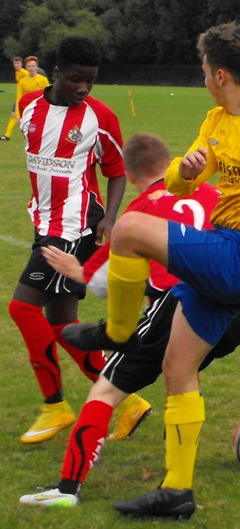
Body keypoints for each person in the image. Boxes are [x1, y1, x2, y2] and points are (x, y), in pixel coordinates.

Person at [23, 21, 240, 517]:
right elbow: (182, 185)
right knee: (177, 368)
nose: (202, 76)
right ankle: (176, 492)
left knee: (128, 230)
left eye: (202, 69)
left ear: (218, 74)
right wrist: (183, 171)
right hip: (219, 252)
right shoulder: (217, 122)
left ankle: (117, 330)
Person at [19, 132, 240, 507]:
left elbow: (100, 282)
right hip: (235, 307)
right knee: (186, 374)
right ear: (170, 160)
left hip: (174, 303)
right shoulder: (212, 194)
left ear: (128, 173)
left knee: (105, 391)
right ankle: (178, 474)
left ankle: (66, 491)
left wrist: (77, 270)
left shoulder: (139, 212)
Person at [8, 36, 129, 445]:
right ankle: (129, 403)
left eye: (90, 82)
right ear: (55, 73)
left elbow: (117, 169)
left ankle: (54, 405)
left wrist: (110, 217)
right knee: (61, 322)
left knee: (22, 308)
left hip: (76, 228)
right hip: (46, 223)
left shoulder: (101, 117)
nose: (83, 88)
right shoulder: (28, 107)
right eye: (76, 79)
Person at [0, 57, 28, 141]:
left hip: (25, 99)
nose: (16, 65)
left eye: (18, 63)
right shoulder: (17, 72)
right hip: (19, 97)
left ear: (21, 64)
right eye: (14, 63)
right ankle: (7, 135)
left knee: (22, 116)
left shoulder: (24, 73)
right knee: (14, 115)